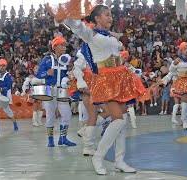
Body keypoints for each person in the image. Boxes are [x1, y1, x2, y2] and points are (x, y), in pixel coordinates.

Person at [47, 3, 145, 175]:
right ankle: (98, 157)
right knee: (118, 120)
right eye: (106, 14)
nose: (110, 17)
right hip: (106, 80)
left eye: (110, 14)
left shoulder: (110, 37)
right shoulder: (91, 34)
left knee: (122, 121)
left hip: (120, 78)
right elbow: (77, 26)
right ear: (97, 18)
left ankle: (119, 161)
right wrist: (64, 17)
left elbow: (116, 54)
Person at [36, 36, 76, 147]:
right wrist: (47, 73)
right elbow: (39, 74)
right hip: (49, 89)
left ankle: (63, 138)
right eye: (62, 45)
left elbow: (69, 74)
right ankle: (50, 139)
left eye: (64, 45)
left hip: (62, 90)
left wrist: (69, 77)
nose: (64, 47)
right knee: (50, 115)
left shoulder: (66, 60)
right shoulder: (47, 59)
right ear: (55, 46)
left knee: (67, 114)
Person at [162, 42, 187, 130]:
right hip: (181, 81)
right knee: (184, 101)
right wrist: (174, 64)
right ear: (181, 50)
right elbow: (171, 70)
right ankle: (184, 121)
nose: (186, 51)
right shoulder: (178, 59)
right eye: (184, 49)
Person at [0, 59, 18, 131]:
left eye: (3, 66)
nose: (2, 67)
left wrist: (1, 89)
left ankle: (15, 123)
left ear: (6, 66)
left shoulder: (8, 76)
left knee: (6, 109)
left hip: (2, 95)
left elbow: (8, 87)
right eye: (0, 65)